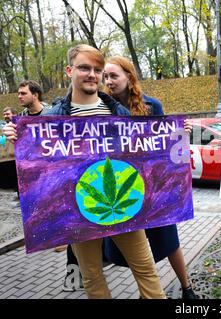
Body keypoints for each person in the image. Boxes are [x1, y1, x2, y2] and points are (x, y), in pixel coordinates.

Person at [3, 44, 166, 299]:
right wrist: (17, 139)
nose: (92, 74)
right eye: (84, 68)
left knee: (146, 268)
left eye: (97, 69)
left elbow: (143, 151)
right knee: (91, 276)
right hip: (79, 209)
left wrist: (178, 133)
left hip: (122, 204)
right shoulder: (52, 117)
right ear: (69, 70)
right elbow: (39, 169)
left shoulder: (118, 111)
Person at [102, 55, 198, 299]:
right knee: (138, 249)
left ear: (129, 77)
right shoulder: (103, 109)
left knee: (168, 238)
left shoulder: (151, 106)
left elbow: (166, 144)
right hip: (125, 188)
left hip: (154, 188)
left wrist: (180, 132)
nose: (108, 81)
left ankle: (186, 287)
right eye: (106, 77)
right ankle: (149, 293)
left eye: (114, 75)